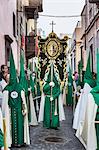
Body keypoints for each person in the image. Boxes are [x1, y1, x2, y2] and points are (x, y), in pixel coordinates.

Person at [2, 49, 30, 148]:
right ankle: (19, 142)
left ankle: (16, 142)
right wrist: (24, 109)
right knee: (17, 126)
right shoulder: (19, 88)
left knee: (16, 126)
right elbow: (23, 101)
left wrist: (24, 109)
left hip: (13, 111)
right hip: (16, 111)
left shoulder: (7, 89)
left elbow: (6, 104)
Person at [38, 62, 65, 129]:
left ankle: (54, 124)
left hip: (54, 99)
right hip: (47, 98)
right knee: (47, 112)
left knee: (54, 112)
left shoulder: (57, 84)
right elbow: (44, 90)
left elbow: (59, 91)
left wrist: (54, 96)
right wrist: (48, 85)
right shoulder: (46, 83)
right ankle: (47, 124)